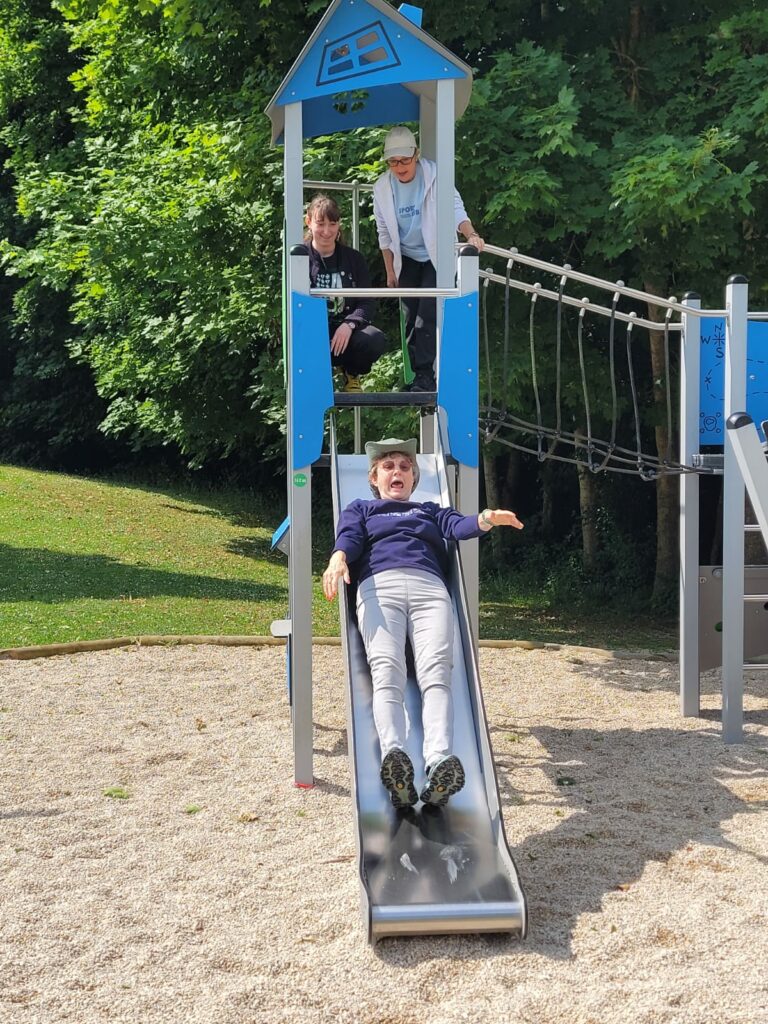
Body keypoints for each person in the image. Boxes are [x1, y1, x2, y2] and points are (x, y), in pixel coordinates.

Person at [322, 437, 524, 809]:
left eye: (404, 467)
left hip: (430, 590)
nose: (397, 471)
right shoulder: (362, 508)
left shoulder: (429, 510)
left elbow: (459, 526)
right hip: (378, 587)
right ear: (374, 477)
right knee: (387, 671)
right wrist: (338, 558)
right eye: (388, 466)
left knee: (436, 674)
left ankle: (438, 761)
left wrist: (486, 519)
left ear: (414, 478)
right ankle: (394, 757)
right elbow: (349, 537)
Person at [372, 126, 485, 392]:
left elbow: (456, 209)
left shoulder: (435, 176)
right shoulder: (382, 188)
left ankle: (426, 375)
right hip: (407, 257)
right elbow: (384, 232)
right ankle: (418, 376)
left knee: (427, 313)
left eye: (405, 160)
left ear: (417, 155)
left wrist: (471, 235)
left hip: (436, 255)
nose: (400, 167)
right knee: (410, 317)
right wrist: (390, 271)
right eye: (393, 162)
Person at [305, 194, 388, 393]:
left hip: (346, 333)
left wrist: (349, 324)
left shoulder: (354, 259)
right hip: (314, 335)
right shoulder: (300, 258)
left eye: (332, 224)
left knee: (375, 339)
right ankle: (316, 378)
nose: (327, 231)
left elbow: (367, 302)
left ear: (339, 225)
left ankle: (351, 372)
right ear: (308, 222)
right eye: (320, 224)